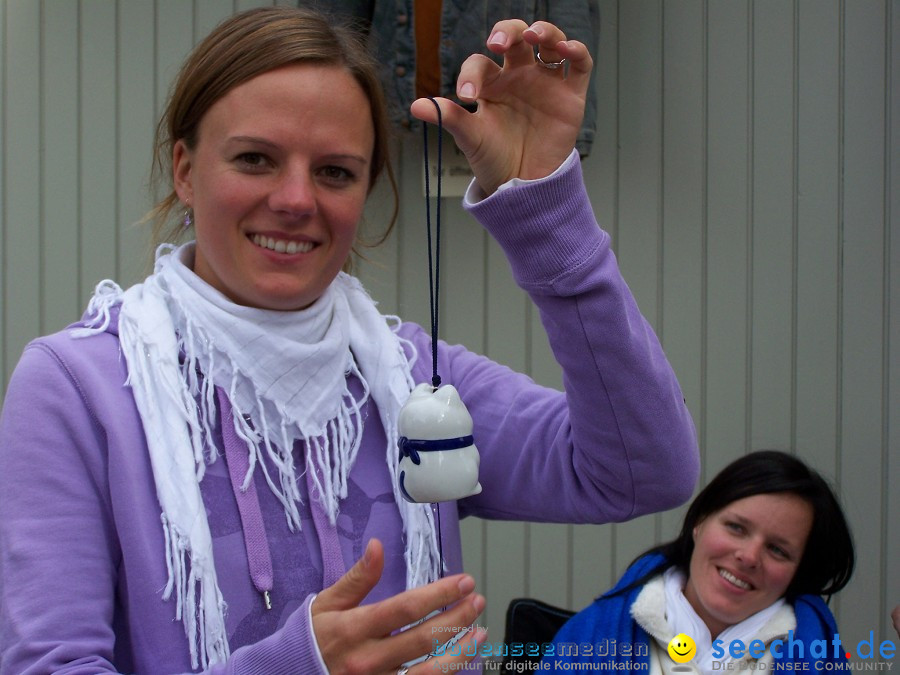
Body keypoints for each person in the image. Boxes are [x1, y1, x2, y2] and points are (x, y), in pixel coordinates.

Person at [0, 6, 698, 674]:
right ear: (184, 168)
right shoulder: (78, 386)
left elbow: (643, 469)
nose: (297, 199)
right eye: (254, 159)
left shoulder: (410, 378)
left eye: (335, 171)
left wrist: (547, 209)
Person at [546, 450, 855, 674]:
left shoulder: (819, 659)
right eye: (736, 528)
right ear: (699, 522)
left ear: (798, 571)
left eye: (777, 550)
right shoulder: (589, 636)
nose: (748, 557)